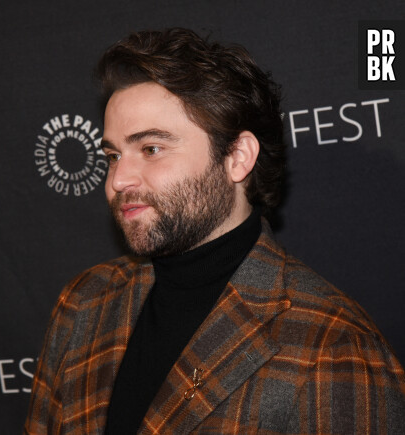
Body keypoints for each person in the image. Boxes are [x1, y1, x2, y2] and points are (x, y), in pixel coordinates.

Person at [24, 28, 405, 434]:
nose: (118, 179)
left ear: (237, 158)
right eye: (114, 154)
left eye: (151, 148)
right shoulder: (84, 303)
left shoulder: (332, 349)